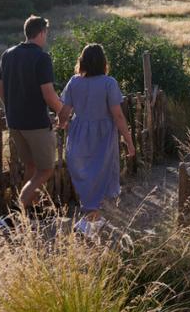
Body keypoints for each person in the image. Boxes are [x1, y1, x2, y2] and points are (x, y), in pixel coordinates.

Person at [57, 43, 136, 235]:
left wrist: (63, 125)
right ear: (103, 62)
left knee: (84, 174)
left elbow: (64, 112)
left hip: (78, 134)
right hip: (102, 136)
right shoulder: (109, 83)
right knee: (99, 174)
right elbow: (117, 115)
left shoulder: (74, 82)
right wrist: (129, 141)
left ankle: (93, 219)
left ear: (82, 61)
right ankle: (89, 221)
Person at [0, 15, 62, 214]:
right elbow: (49, 95)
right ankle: (18, 210)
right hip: (36, 124)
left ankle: (30, 213)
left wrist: (15, 108)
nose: (46, 37)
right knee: (46, 169)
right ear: (41, 32)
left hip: (15, 123)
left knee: (31, 167)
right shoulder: (42, 57)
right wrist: (62, 111)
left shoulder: (7, 54)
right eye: (46, 33)